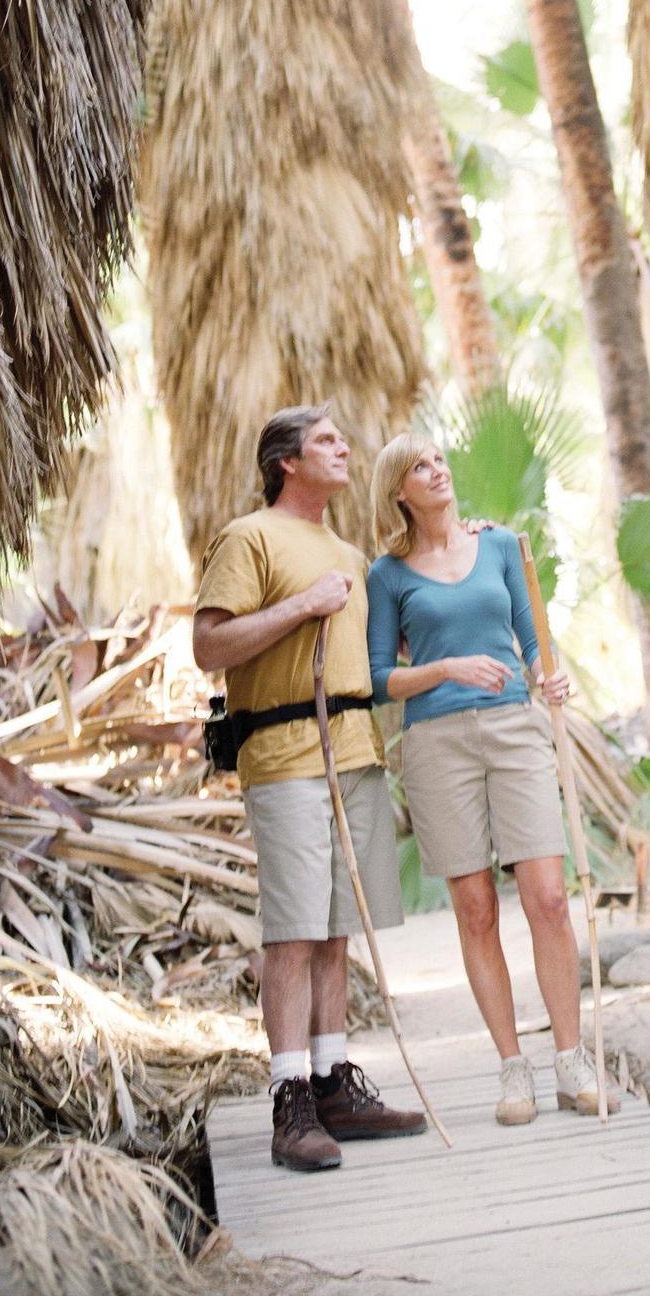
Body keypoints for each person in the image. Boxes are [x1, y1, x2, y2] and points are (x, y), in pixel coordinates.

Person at [193, 404, 426, 1172]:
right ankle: (288, 1096)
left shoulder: (352, 554)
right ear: (285, 461)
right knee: (292, 930)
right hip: (287, 753)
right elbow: (208, 645)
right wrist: (300, 606)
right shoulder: (248, 536)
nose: (344, 448)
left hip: (354, 750)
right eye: (327, 440)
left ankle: (332, 1084)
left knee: (334, 929)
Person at [366, 432, 617, 1125]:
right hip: (435, 740)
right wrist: (447, 669)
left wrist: (548, 674)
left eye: (440, 460)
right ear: (399, 492)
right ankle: (514, 1070)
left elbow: (532, 639)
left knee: (547, 898)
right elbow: (380, 678)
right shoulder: (387, 576)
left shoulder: (501, 546)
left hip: (515, 726)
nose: (438, 472)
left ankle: (571, 1060)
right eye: (420, 466)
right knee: (475, 907)